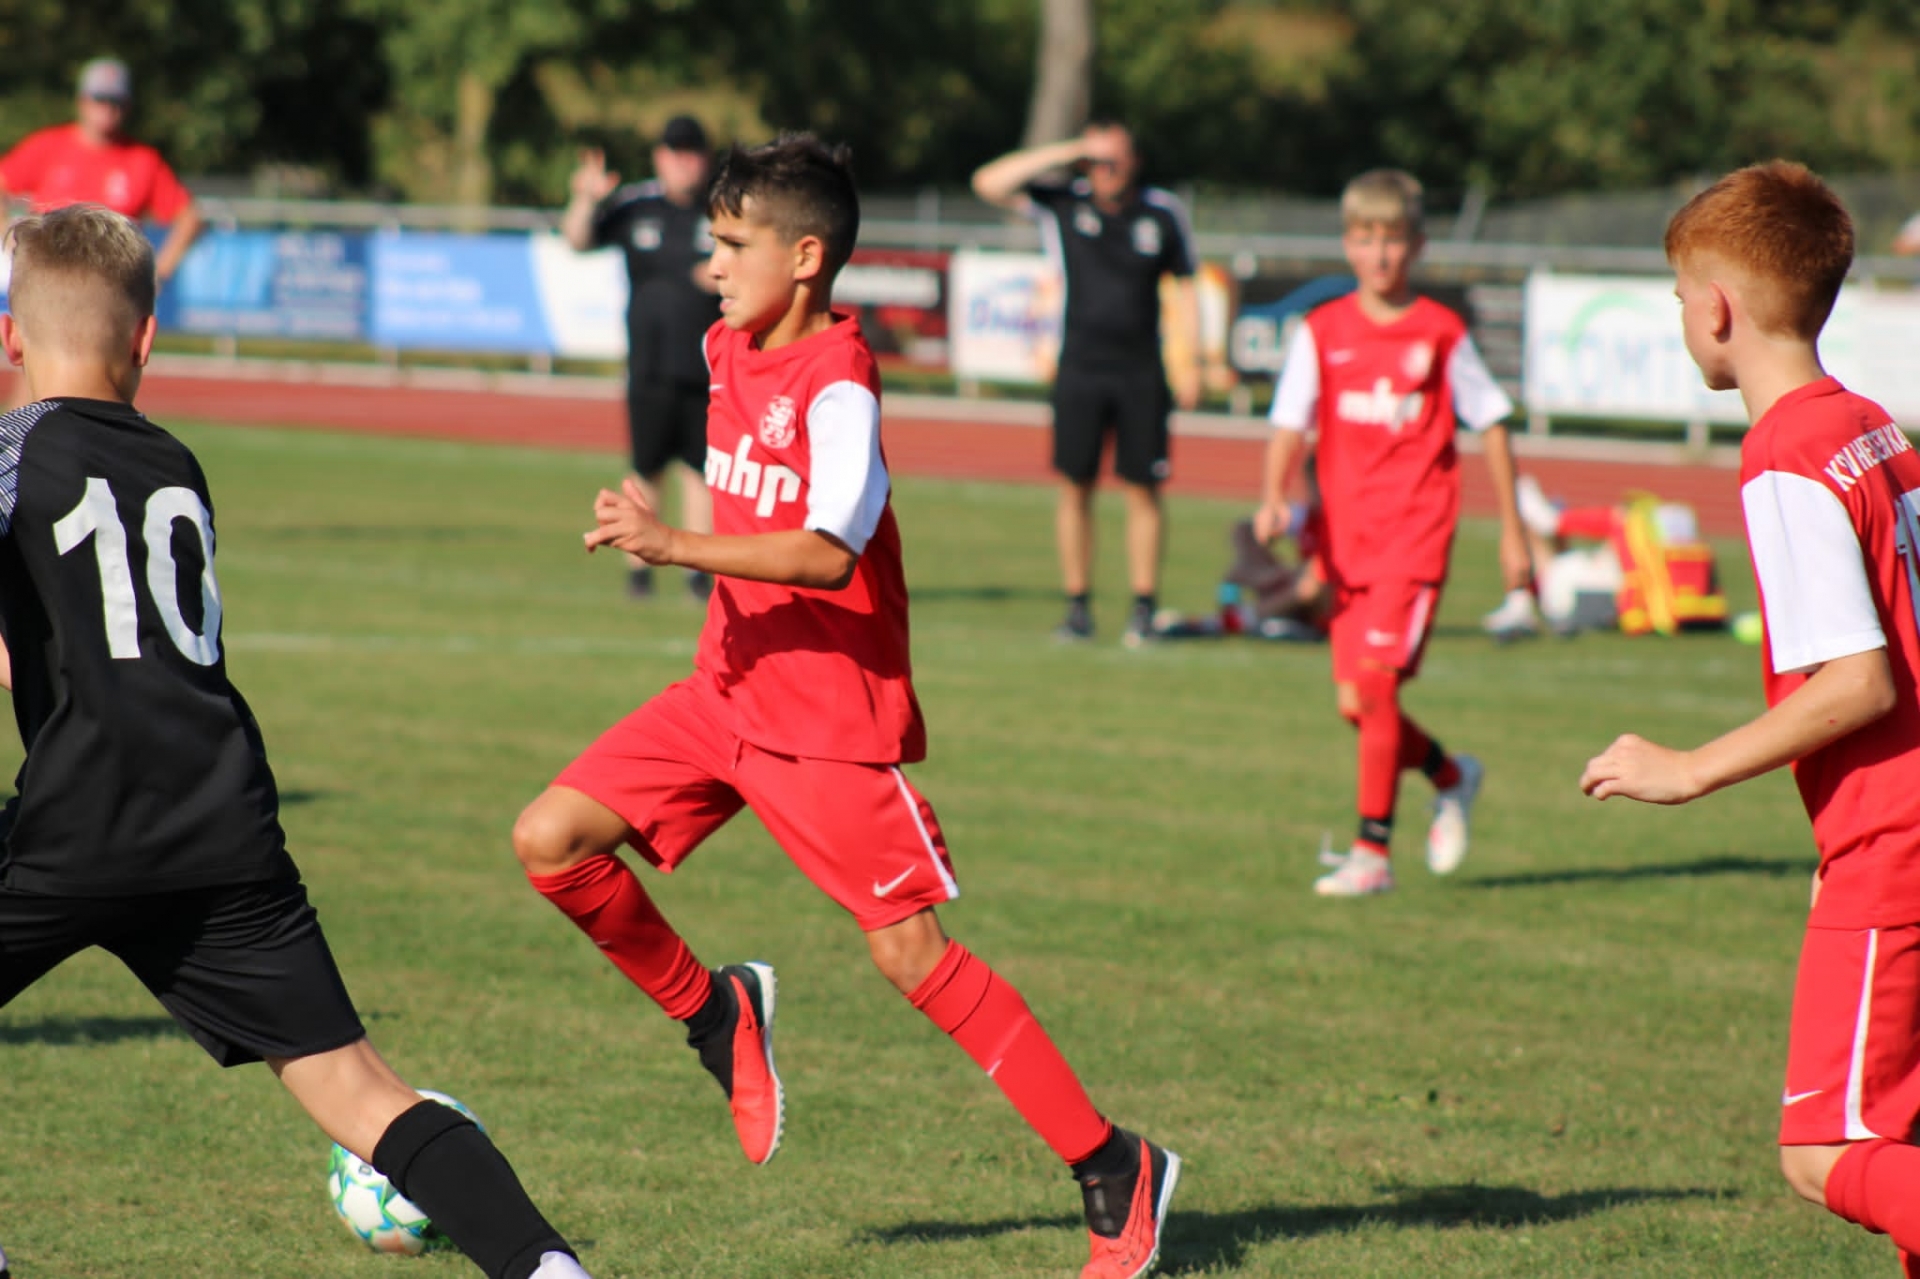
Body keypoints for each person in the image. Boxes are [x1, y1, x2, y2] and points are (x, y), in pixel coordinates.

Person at [513, 135, 1181, 1279]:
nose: (713, 265)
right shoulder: (725, 344)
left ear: (807, 257)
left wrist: (672, 542)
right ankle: (717, 1016)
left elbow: (829, 550)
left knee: (913, 956)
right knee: (550, 839)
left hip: (823, 723)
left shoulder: (842, 385)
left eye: (735, 244)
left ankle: (1113, 1162)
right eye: (714, 242)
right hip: (724, 689)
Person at [0, 205, 590, 1279]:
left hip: (78, 817)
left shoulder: (13, 449)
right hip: (219, 820)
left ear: (10, 338)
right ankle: (553, 1271)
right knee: (359, 1086)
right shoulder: (173, 462)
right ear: (148, 339)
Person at [1581, 160, 1920, 1277]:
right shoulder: (1869, 425)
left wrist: (1688, 768)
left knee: (1828, 1149)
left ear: (1717, 308)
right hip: (1885, 831)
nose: (1684, 314)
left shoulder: (1784, 453)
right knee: (1900, 1134)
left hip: (1898, 838)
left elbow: (1860, 681)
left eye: (1682, 294)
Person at [1253, 169, 1530, 897]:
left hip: (1414, 537)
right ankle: (1451, 774)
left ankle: (1371, 854)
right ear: (1348, 243)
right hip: (1344, 547)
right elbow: (1288, 423)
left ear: (1419, 245)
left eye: (1394, 239)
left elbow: (1492, 420)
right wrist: (1273, 498)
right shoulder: (1322, 330)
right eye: (1366, 238)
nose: (1380, 254)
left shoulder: (1440, 332)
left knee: (1375, 687)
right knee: (1358, 705)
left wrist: (1512, 532)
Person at [971, 121, 1203, 646]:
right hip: (1079, 366)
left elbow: (1187, 287)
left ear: (1135, 160)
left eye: (1114, 159)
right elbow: (988, 182)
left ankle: (1144, 606)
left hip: (1141, 371)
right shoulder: (1063, 202)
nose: (1105, 170)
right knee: (1075, 485)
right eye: (1096, 161)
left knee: (1143, 488)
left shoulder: (1161, 212)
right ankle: (1077, 606)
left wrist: (1193, 361)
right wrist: (1071, 149)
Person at [561, 114, 720, 602]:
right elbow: (577, 240)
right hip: (649, 365)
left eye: (692, 153)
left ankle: (697, 574)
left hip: (707, 368)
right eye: (675, 152)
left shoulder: (721, 209)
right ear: (659, 157)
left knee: (702, 472)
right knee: (646, 467)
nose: (683, 162)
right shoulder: (636, 205)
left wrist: (720, 273)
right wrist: (585, 198)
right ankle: (639, 572)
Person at [0, 58, 202, 283]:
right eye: (100, 99)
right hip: (48, 276)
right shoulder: (47, 146)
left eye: (116, 101)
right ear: (82, 102)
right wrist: (8, 240)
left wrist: (159, 271)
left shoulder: (142, 159)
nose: (107, 108)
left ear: (127, 106)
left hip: (113, 282)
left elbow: (189, 216)